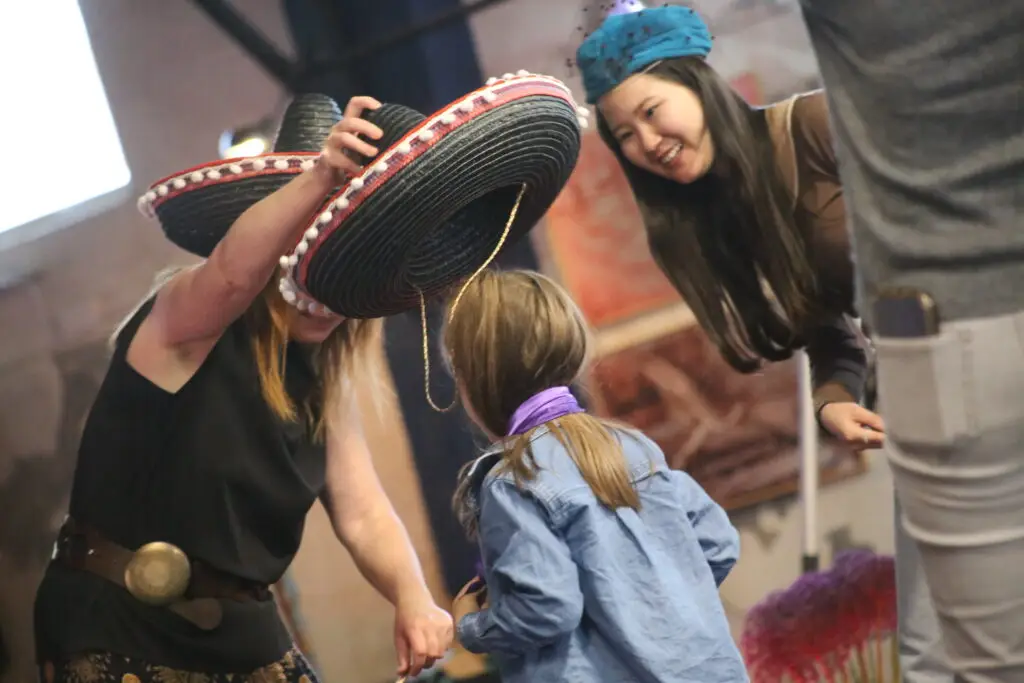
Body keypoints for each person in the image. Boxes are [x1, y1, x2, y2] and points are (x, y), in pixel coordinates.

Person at [574, 6, 950, 680]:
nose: (647, 142)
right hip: (926, 407)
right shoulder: (726, 213)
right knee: (933, 641)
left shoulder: (817, 125)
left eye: (652, 112)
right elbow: (827, 328)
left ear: (699, 85)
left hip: (987, 349)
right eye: (624, 135)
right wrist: (833, 398)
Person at [33, 94, 453, 683]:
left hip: (238, 633)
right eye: (309, 246)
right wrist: (322, 179)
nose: (326, 283)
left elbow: (363, 514)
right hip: (114, 622)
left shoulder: (323, 380)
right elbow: (231, 276)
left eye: (347, 260)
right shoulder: (184, 319)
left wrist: (413, 597)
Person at [795, 1, 1024, 681]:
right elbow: (820, 316)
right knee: (939, 644)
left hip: (949, 331)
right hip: (930, 347)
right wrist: (832, 390)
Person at [444, 268, 749, 683]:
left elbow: (547, 608)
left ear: (476, 380)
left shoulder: (514, 481)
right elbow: (717, 543)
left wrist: (470, 626)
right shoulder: (632, 445)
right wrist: (650, 611)